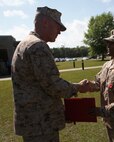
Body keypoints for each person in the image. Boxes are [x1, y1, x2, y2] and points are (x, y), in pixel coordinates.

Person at [11, 6, 88, 142]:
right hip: (41, 124)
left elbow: (39, 87)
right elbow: (53, 85)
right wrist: (78, 87)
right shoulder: (37, 46)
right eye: (58, 26)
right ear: (45, 23)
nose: (59, 32)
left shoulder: (24, 44)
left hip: (34, 122)